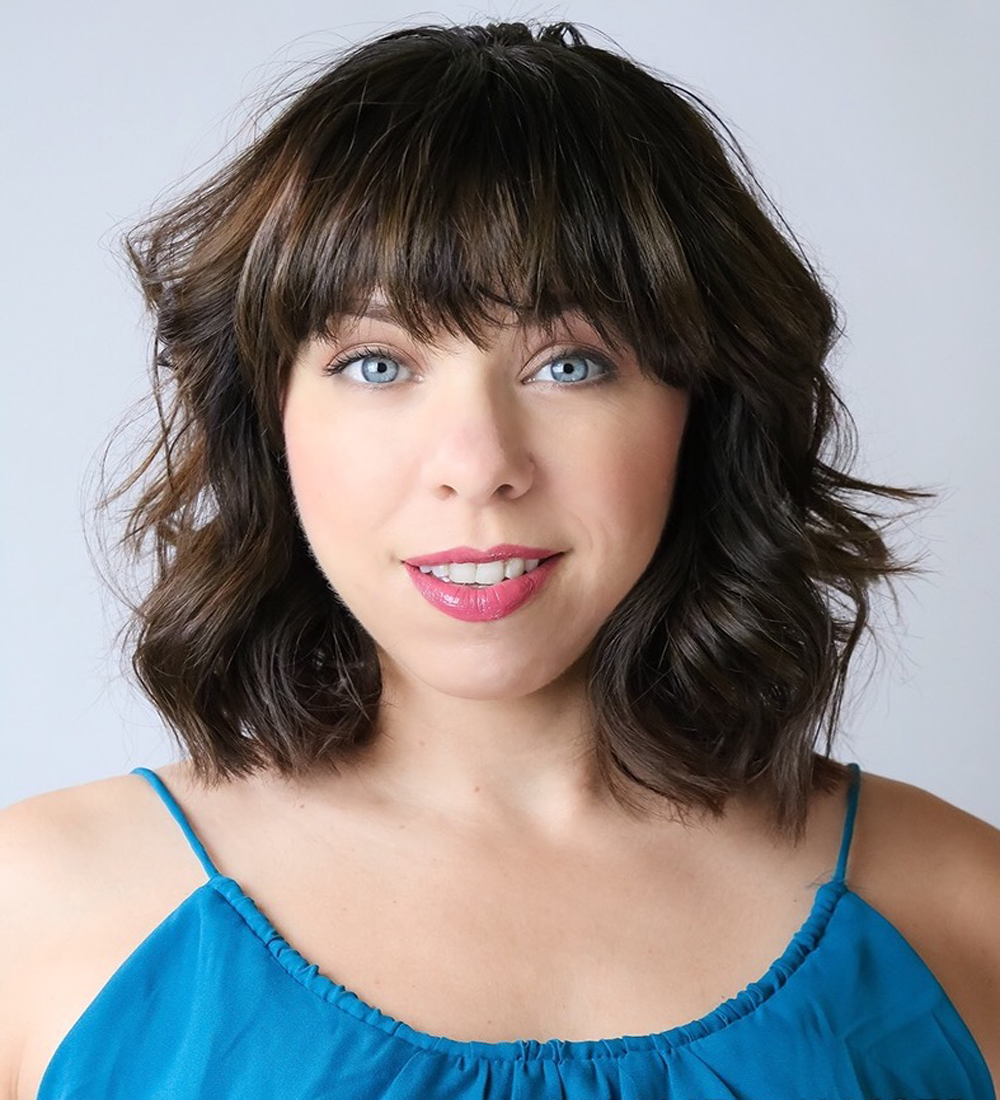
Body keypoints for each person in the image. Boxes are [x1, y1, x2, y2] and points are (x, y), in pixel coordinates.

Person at [1, 19, 997, 1099]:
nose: (478, 466)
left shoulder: (958, 911)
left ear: (700, 411)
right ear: (269, 417)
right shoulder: (37, 916)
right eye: (378, 362)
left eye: (570, 362)